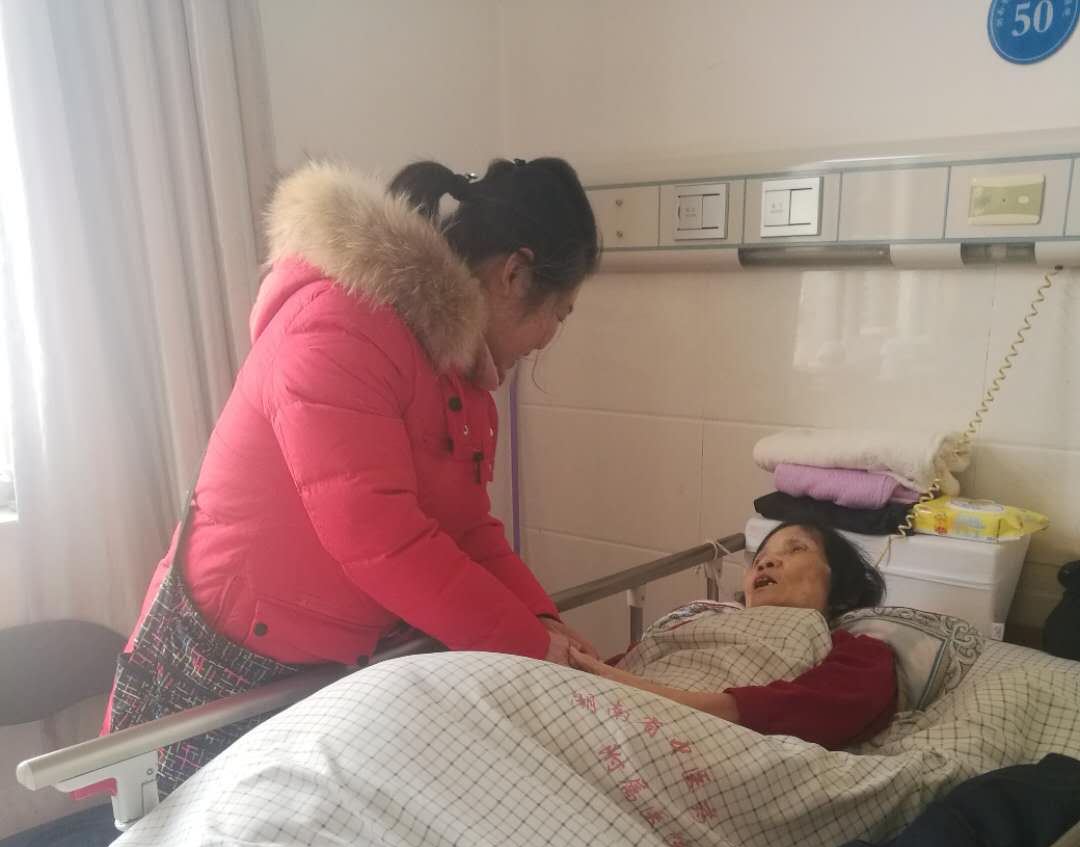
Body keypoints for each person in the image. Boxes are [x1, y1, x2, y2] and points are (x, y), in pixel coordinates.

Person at [101, 155, 601, 795]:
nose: (549, 337)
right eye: (561, 312)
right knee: (199, 842)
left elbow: (467, 530)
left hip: (331, 654)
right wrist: (529, 646)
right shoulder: (339, 325)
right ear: (515, 273)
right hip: (232, 658)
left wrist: (543, 621)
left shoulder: (456, 369)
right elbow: (381, 540)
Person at [570, 522, 897, 749]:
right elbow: (628, 663)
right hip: (608, 706)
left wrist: (647, 698)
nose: (766, 562)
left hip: (672, 730)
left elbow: (820, 710)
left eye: (796, 549)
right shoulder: (696, 620)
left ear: (841, 587)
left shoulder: (857, 651)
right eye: (759, 558)